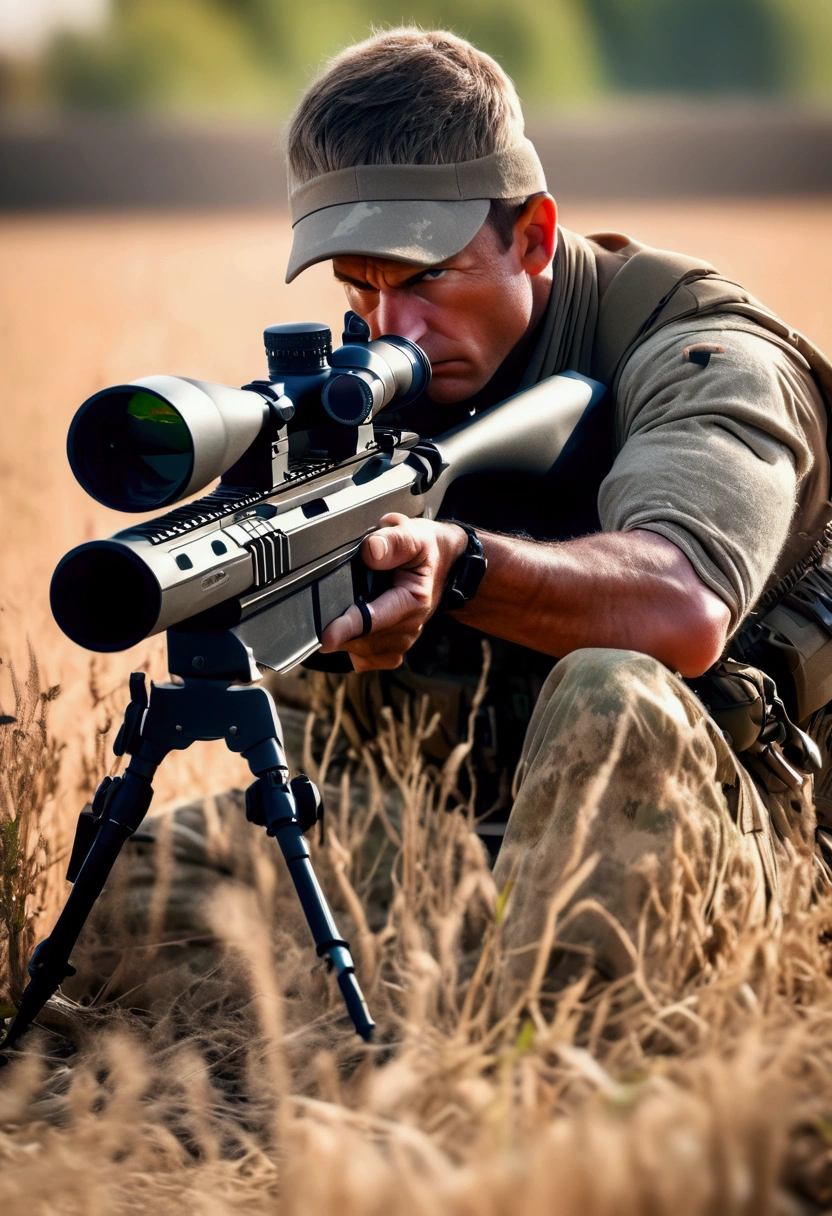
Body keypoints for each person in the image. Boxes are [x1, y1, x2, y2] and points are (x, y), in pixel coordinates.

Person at [269, 26, 832, 993]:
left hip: (752, 863)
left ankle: (531, 1080)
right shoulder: (378, 392)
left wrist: (457, 566)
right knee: (165, 876)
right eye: (358, 286)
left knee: (613, 698)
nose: (387, 329)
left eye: (424, 278)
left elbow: (681, 607)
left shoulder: (704, 357)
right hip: (463, 859)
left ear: (531, 235)